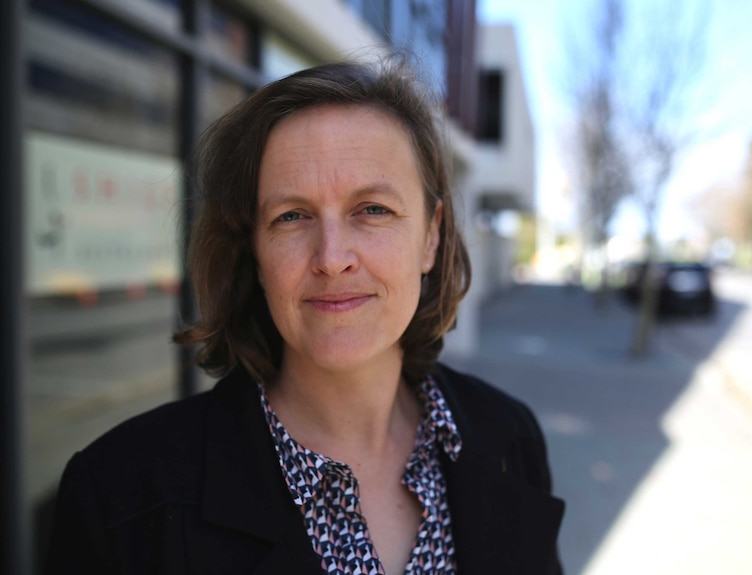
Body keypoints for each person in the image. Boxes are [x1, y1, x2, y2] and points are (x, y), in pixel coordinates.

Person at [44, 57, 564, 575]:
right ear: (254, 250)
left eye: (372, 209)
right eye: (291, 216)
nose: (332, 257)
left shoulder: (508, 438)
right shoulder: (119, 493)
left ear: (430, 235)